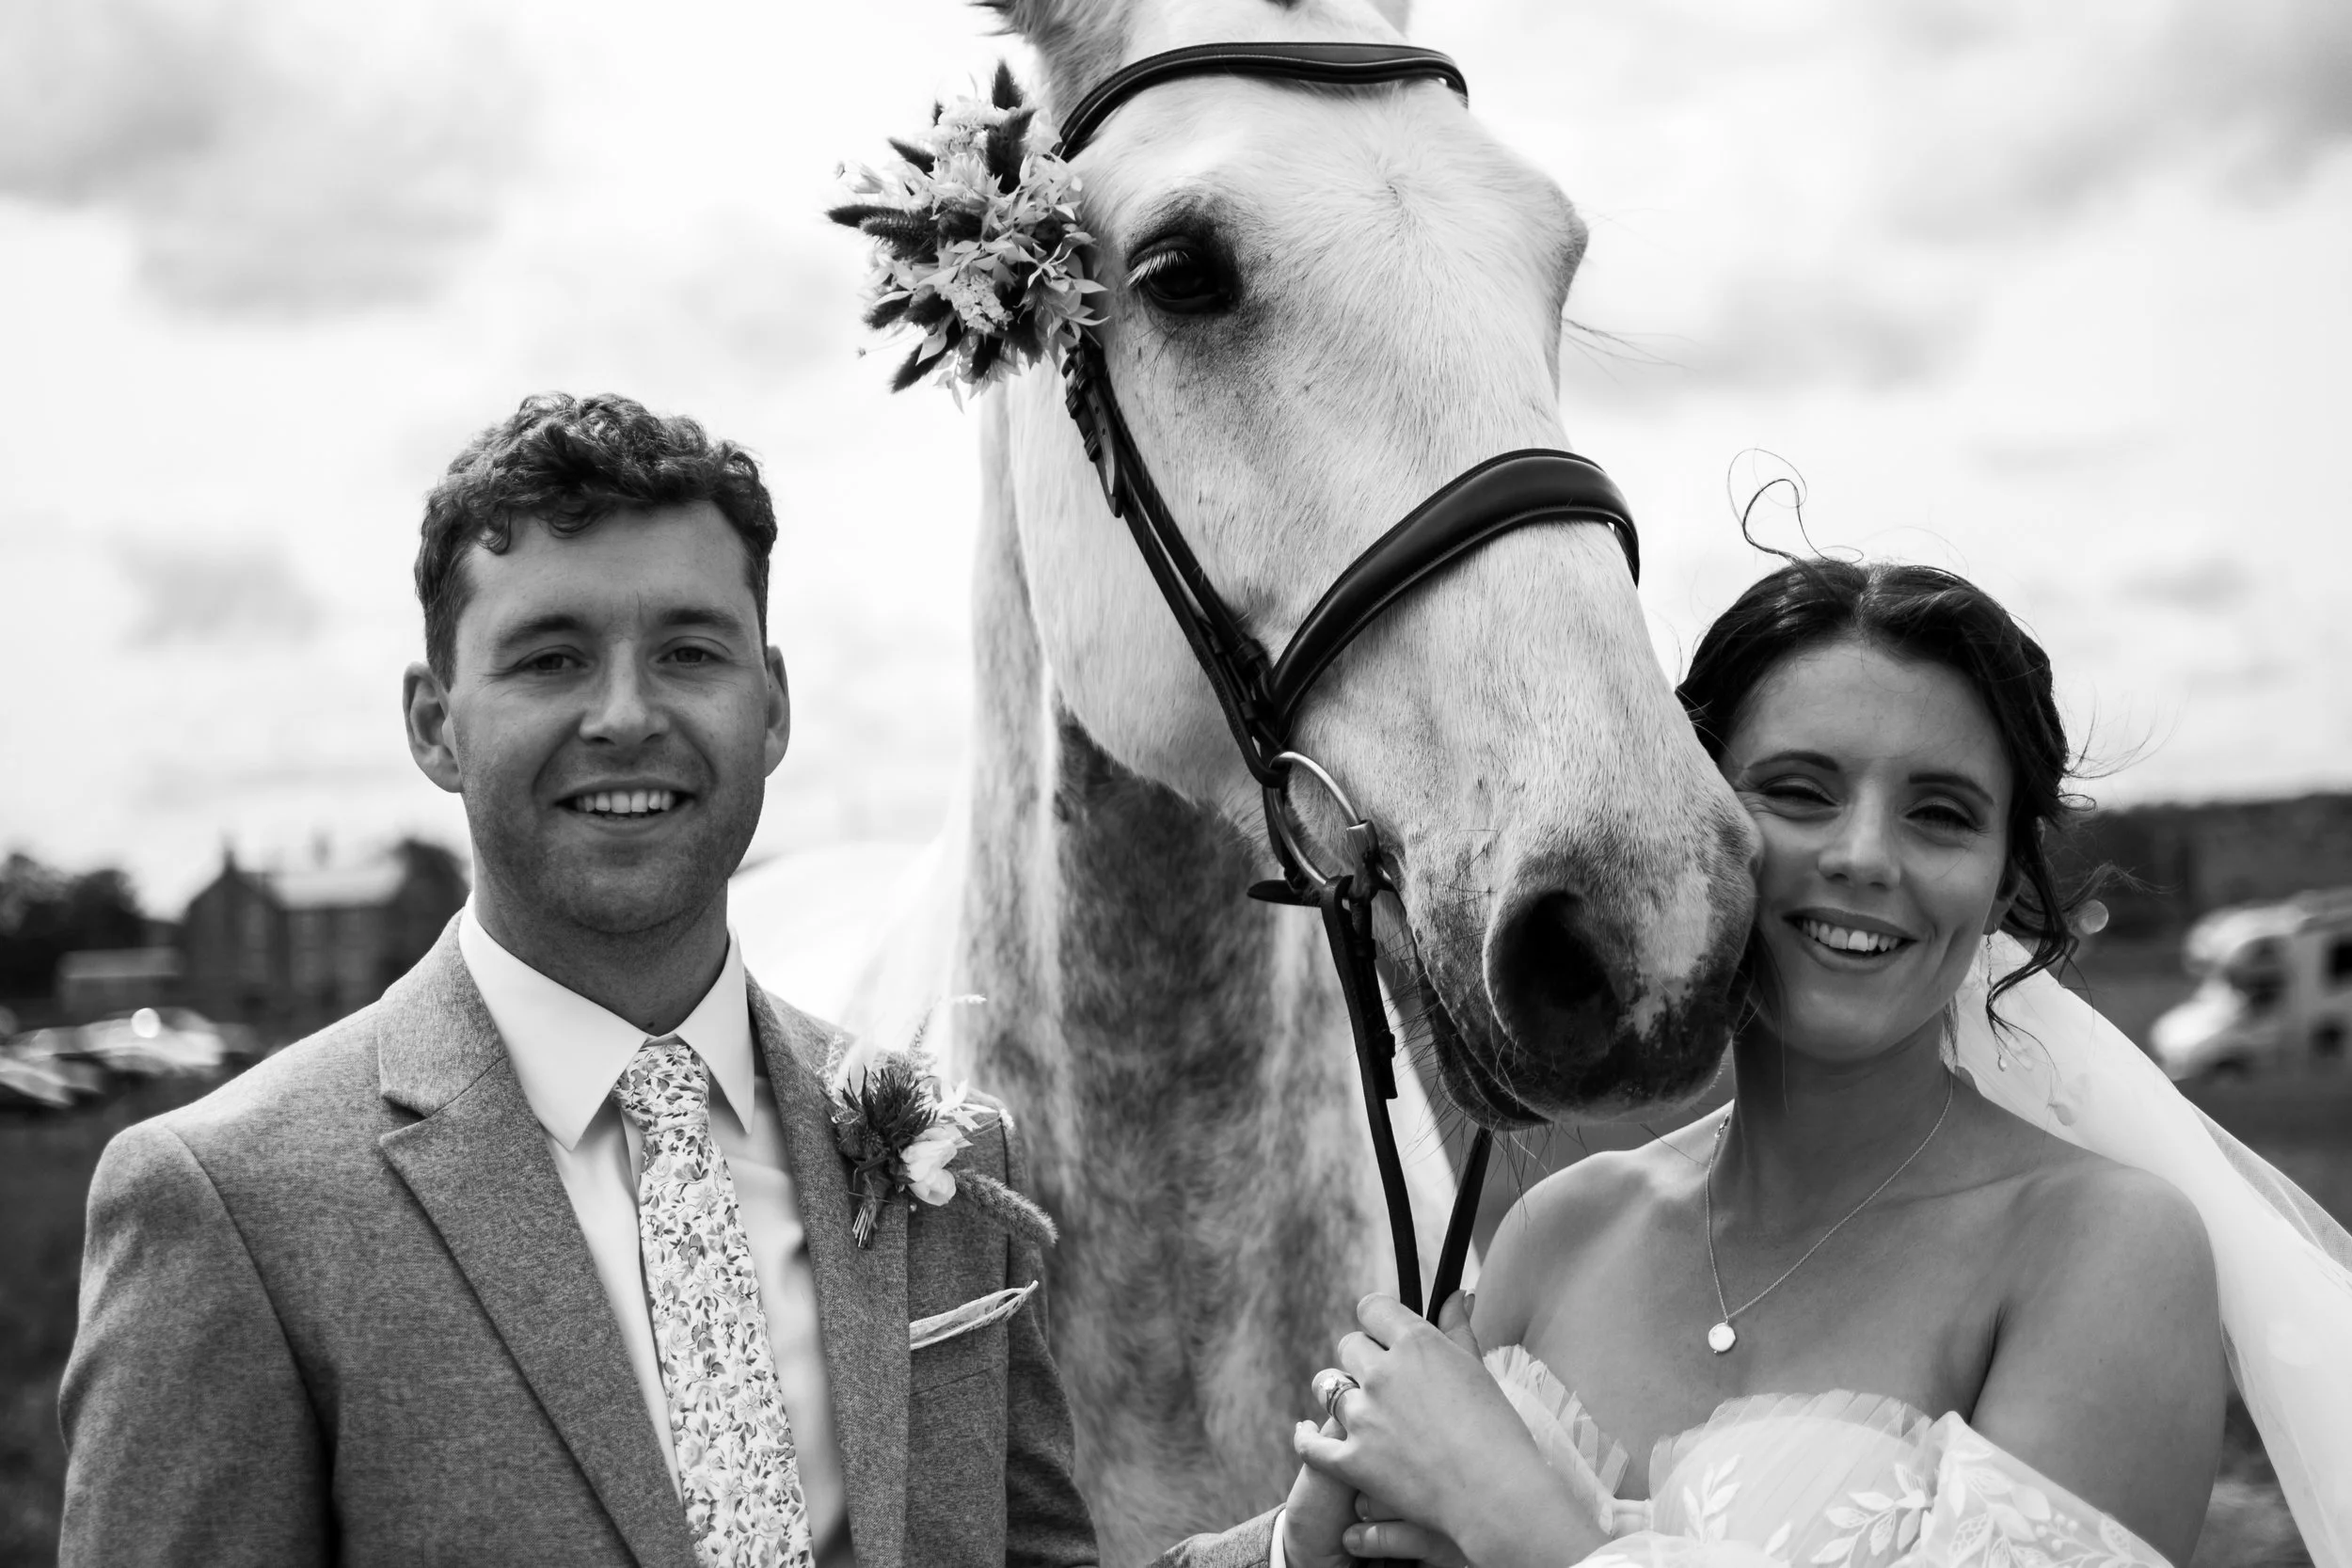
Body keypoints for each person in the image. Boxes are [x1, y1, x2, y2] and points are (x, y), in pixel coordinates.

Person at [57, 393, 1104, 1567]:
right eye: (552, 658)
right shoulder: (229, 1205)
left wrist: (1284, 1544)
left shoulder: (947, 1160)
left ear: (772, 709)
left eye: (689, 653)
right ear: (434, 724)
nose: (624, 714)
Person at [1274, 557, 2352, 1568]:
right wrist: (1321, 1539)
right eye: (1799, 791)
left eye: (1940, 814)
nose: (1866, 854)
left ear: (1999, 882)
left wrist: (1524, 1516)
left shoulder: (2105, 1250)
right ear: (1693, 819)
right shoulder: (1561, 1228)